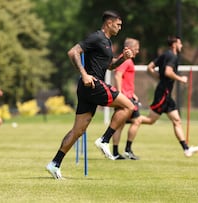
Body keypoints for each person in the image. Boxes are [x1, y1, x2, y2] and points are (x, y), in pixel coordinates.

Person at [46, 10, 135, 179]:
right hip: (92, 84)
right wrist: (84, 74)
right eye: (118, 24)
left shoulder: (107, 42)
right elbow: (73, 52)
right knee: (129, 106)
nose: (120, 28)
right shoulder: (96, 37)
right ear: (109, 23)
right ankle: (105, 139)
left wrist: (124, 57)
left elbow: (110, 66)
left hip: (89, 87)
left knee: (77, 131)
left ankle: (54, 163)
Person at [143, 36, 198, 157]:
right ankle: (129, 119)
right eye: (180, 43)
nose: (182, 46)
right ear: (174, 44)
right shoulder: (172, 57)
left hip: (166, 94)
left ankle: (186, 149)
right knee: (150, 120)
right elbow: (168, 72)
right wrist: (181, 79)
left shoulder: (165, 55)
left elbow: (149, 67)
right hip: (163, 94)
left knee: (177, 121)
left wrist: (158, 78)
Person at [112, 38, 150, 160]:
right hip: (125, 98)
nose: (138, 51)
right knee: (137, 120)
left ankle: (115, 152)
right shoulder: (126, 60)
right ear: (130, 48)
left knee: (120, 124)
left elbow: (124, 78)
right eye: (137, 49)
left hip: (127, 96)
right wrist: (121, 94)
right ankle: (127, 150)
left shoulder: (125, 59)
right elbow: (118, 75)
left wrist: (132, 93)